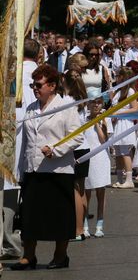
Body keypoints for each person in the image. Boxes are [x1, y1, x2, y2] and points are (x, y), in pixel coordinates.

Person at [11, 64, 83, 270]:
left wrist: (55, 149)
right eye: (33, 84)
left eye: (39, 84)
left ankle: (61, 256)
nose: (35, 88)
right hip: (33, 169)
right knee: (29, 215)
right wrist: (21, 169)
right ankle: (29, 256)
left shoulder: (66, 106)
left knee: (59, 215)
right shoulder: (31, 108)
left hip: (57, 170)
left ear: (52, 86)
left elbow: (77, 136)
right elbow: (26, 140)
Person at [3, 39, 40, 260]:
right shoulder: (37, 75)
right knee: (13, 190)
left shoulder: (12, 72)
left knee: (9, 188)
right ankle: (10, 239)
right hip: (24, 140)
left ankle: (10, 238)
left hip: (13, 137)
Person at [61, 70, 91, 241]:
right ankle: (82, 226)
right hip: (84, 147)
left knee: (75, 190)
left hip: (75, 148)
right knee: (81, 190)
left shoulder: (67, 101)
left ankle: (78, 229)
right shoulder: (82, 100)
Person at [83, 98, 112, 238]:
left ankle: (100, 224)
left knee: (101, 193)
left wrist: (99, 123)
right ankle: (85, 224)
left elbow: (103, 140)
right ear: (88, 104)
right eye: (93, 102)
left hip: (101, 159)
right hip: (88, 158)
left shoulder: (105, 120)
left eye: (99, 102)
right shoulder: (83, 120)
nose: (96, 105)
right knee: (86, 193)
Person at [111, 67, 138, 189]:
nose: (116, 78)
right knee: (118, 152)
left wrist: (118, 112)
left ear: (123, 77)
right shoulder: (118, 92)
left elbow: (135, 108)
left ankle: (129, 180)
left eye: (118, 76)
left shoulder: (130, 92)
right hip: (117, 123)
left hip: (125, 123)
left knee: (124, 151)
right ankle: (120, 179)